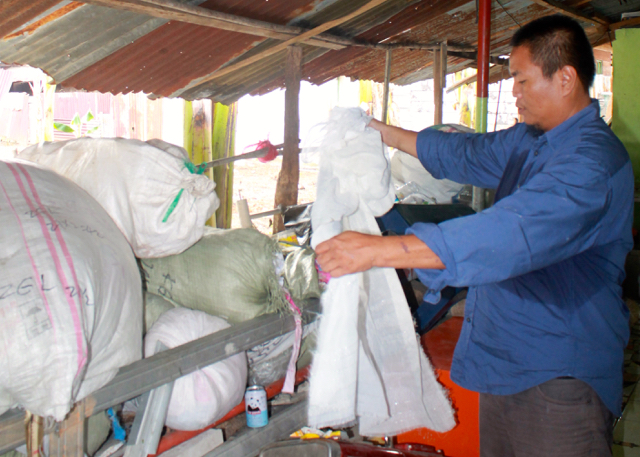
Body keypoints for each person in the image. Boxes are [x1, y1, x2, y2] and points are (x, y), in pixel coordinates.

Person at [315, 14, 633, 457]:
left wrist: (379, 250)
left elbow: (509, 233)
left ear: (565, 79)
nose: (515, 93)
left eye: (521, 81)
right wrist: (378, 132)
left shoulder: (591, 164)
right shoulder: (533, 140)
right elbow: (464, 152)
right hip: (506, 357)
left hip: (559, 371)